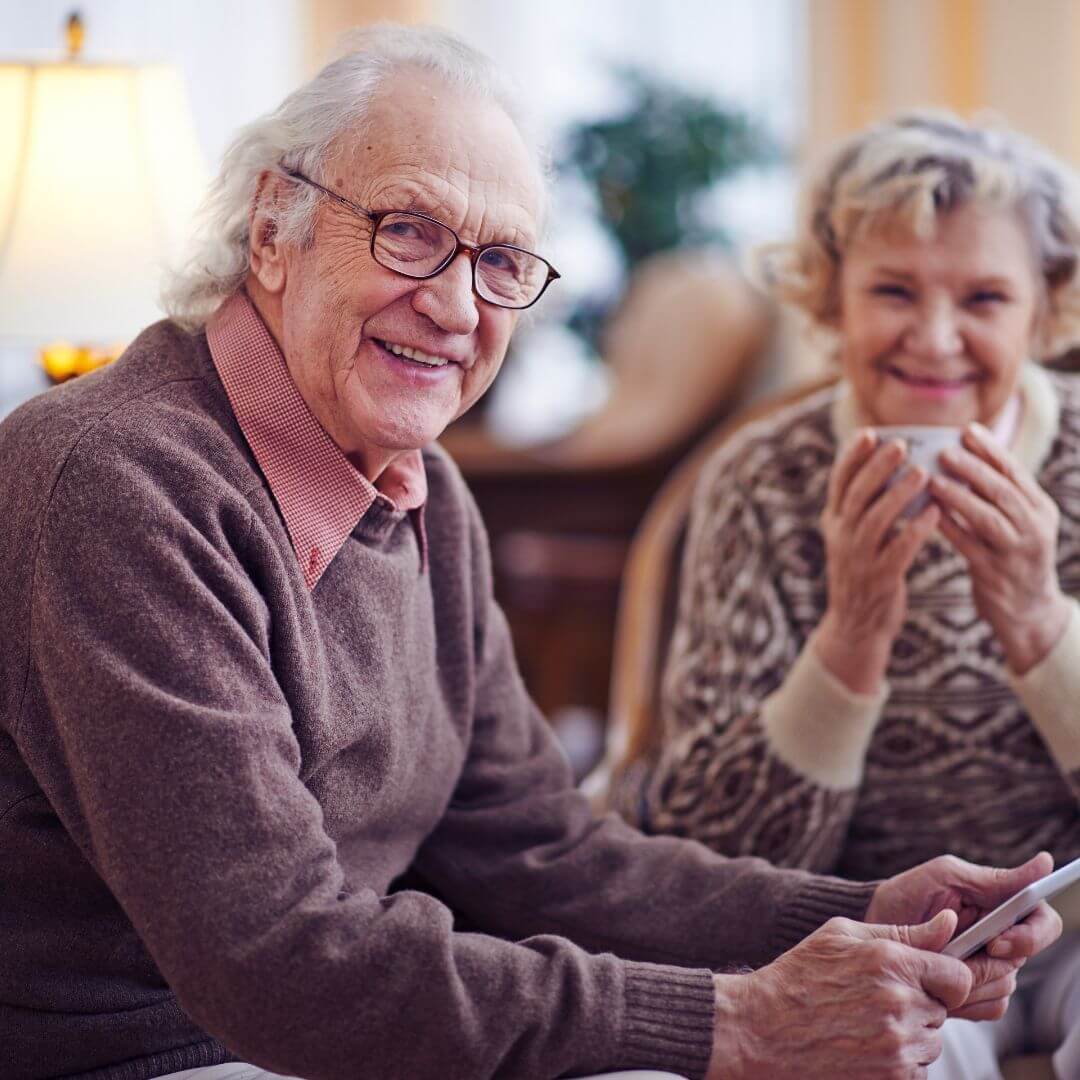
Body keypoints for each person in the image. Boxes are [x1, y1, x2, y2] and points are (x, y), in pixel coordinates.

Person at [0, 31, 1059, 1080]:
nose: (458, 307)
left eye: (500, 261)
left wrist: (860, 913)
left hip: (320, 1036)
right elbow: (275, 955)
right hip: (143, 1053)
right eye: (407, 232)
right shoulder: (119, 481)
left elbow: (540, 853)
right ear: (272, 228)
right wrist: (731, 1022)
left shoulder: (423, 493)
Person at [642, 110, 1080, 1079]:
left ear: (1043, 313)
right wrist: (852, 636)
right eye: (892, 290)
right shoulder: (761, 483)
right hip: (862, 936)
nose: (934, 340)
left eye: (984, 298)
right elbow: (713, 851)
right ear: (832, 302)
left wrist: (1040, 624)